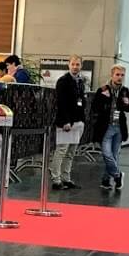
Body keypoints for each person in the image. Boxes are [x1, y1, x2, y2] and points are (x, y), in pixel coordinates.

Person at [90, 65, 129, 190]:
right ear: (112, 75)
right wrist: (105, 105)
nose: (120, 77)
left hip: (119, 127)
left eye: (122, 75)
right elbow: (95, 107)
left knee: (114, 155)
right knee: (107, 154)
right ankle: (118, 175)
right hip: (106, 127)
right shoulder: (103, 89)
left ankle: (106, 180)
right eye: (117, 74)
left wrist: (125, 103)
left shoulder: (125, 91)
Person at [50, 54, 87, 189]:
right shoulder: (63, 81)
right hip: (66, 122)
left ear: (81, 66)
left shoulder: (80, 81)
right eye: (73, 64)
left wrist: (82, 120)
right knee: (61, 150)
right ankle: (56, 179)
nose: (75, 67)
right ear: (69, 65)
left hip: (78, 121)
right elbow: (61, 103)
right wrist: (65, 121)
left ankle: (66, 178)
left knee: (71, 152)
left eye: (78, 64)